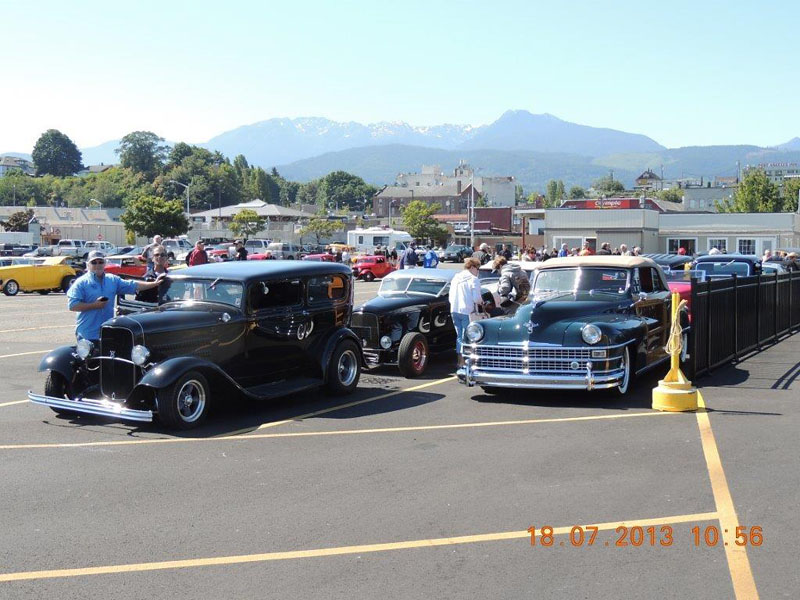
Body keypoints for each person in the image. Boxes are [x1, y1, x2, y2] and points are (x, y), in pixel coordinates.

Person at [68, 251, 165, 342]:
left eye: (100, 262)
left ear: (104, 263)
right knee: (88, 360)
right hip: (87, 333)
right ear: (88, 265)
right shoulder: (81, 283)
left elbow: (133, 285)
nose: (98, 265)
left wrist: (154, 284)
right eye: (94, 262)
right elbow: (73, 305)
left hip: (106, 331)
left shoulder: (112, 280)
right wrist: (94, 305)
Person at [449, 257, 483, 368]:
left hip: (454, 309)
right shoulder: (473, 279)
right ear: (472, 267)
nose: (478, 271)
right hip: (466, 311)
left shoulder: (456, 277)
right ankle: (465, 361)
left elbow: (450, 296)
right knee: (468, 336)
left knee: (459, 336)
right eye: (477, 268)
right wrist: (482, 302)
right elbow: (477, 299)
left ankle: (460, 361)